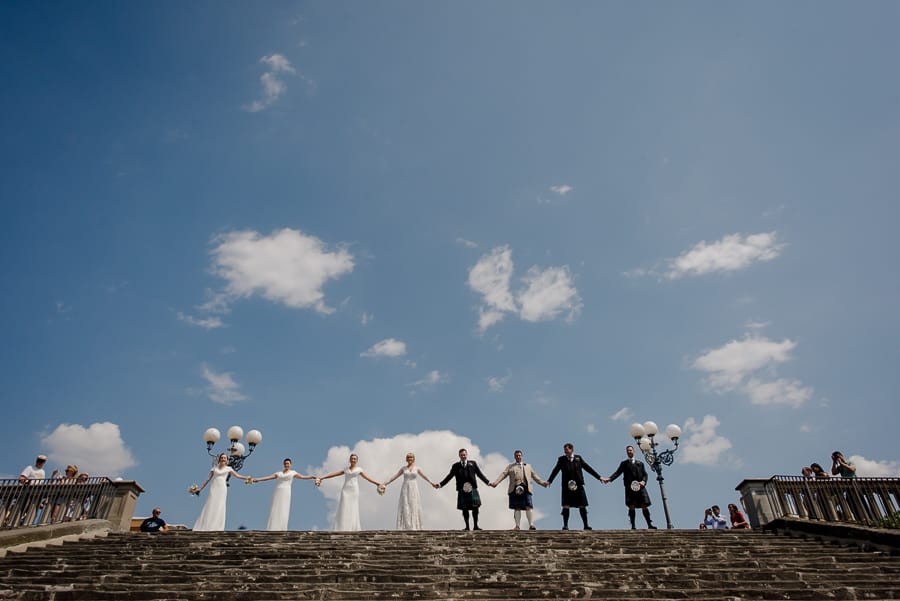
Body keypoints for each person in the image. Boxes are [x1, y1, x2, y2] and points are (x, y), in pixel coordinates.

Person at [317, 453, 382, 531]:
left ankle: (352, 527)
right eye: (352, 458)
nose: (353, 460)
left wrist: (377, 483)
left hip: (354, 490)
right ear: (349, 460)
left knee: (353, 507)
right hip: (345, 490)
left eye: (355, 459)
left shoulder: (359, 470)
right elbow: (334, 474)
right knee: (344, 506)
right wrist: (322, 478)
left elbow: (367, 478)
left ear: (357, 460)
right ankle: (342, 527)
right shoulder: (346, 469)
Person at [547, 443, 603, 530]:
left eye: (567, 450)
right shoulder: (561, 459)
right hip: (566, 486)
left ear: (571, 449)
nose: (565, 452)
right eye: (564, 450)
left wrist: (599, 477)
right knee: (566, 505)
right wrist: (550, 480)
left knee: (582, 505)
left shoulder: (578, 458)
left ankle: (586, 525)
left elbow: (588, 468)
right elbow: (555, 470)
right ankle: (565, 525)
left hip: (578, 485)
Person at [489, 449, 549, 530]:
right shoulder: (510, 466)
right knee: (517, 507)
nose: (518, 457)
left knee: (529, 506)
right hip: (514, 488)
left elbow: (535, 476)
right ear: (514, 457)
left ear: (522, 456)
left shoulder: (528, 466)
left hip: (526, 487)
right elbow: (503, 474)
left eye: (519, 455)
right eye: (517, 456)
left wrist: (543, 483)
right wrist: (496, 483)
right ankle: (517, 526)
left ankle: (531, 525)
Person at [192, 453, 251, 531]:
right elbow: (207, 479)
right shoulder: (214, 468)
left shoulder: (229, 469)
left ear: (226, 460)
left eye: (225, 458)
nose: (223, 459)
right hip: (213, 488)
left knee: (219, 505)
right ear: (220, 459)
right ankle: (206, 525)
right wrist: (200, 488)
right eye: (222, 457)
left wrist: (247, 477)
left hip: (222, 488)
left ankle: (216, 526)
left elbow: (238, 476)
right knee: (210, 504)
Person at [252, 458, 315, 531]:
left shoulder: (293, 472)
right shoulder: (279, 473)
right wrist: (258, 479)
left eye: (288, 463)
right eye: (285, 464)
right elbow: (268, 477)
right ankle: (273, 527)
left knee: (284, 508)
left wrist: (311, 476)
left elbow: (303, 477)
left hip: (286, 491)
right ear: (283, 465)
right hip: (278, 491)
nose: (286, 465)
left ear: (290, 464)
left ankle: (282, 528)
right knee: (275, 508)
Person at [603, 445, 657, 530]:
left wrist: (643, 481)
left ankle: (649, 524)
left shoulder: (640, 463)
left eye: (630, 450)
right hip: (629, 488)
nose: (629, 452)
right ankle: (633, 526)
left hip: (640, 487)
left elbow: (645, 474)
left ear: (634, 451)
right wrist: (609, 479)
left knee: (644, 505)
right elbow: (617, 473)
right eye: (628, 451)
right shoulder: (624, 464)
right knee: (631, 505)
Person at [436, 448, 490, 531]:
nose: (463, 456)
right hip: (462, 489)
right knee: (465, 508)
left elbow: (480, 474)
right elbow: (449, 476)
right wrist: (440, 484)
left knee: (475, 507)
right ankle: (467, 526)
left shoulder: (473, 464)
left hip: (472, 489)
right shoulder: (456, 466)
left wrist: (488, 482)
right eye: (461, 455)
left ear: (466, 455)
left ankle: (476, 526)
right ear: (459, 456)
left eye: (464, 455)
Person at [383, 452, 437, 530]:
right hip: (405, 487)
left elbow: (425, 476)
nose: (410, 459)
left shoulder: (417, 468)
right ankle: (407, 526)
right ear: (406, 459)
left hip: (414, 488)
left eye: (411, 457)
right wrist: (385, 483)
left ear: (414, 459)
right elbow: (394, 476)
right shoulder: (403, 468)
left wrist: (432, 483)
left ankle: (414, 526)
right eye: (408, 457)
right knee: (406, 505)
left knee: (414, 505)